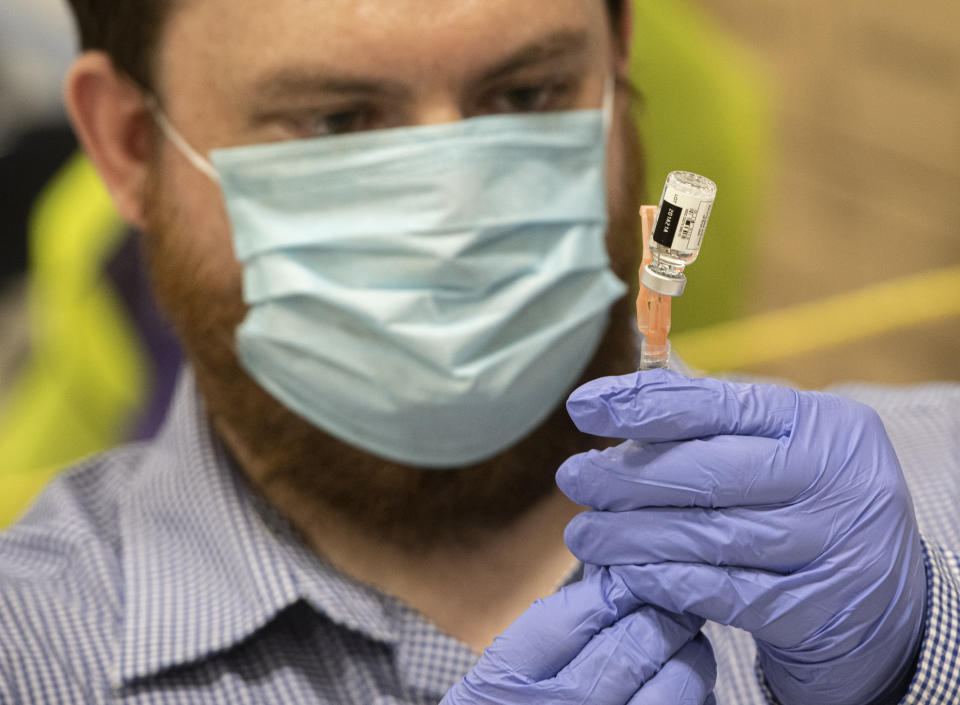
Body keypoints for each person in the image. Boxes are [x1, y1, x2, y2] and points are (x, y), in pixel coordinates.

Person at [0, 1, 958, 703]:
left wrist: (914, 665)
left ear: (617, 71)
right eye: (339, 121)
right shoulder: (34, 649)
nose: (456, 221)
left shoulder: (923, 510)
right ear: (127, 145)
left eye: (528, 91)